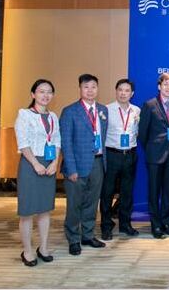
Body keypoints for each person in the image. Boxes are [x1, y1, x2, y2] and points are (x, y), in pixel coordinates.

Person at [14, 79, 61, 266]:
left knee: (45, 210)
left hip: (49, 164)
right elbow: (23, 142)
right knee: (27, 211)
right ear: (33, 94)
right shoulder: (24, 114)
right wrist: (35, 163)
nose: (45, 95)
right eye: (41, 91)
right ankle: (27, 251)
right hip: (30, 164)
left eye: (49, 92)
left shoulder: (53, 116)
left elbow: (57, 141)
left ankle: (43, 247)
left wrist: (55, 162)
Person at [60, 73, 108, 255]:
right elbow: (66, 143)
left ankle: (88, 235)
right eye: (86, 87)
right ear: (79, 89)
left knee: (92, 202)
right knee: (74, 204)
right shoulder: (69, 111)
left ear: (97, 89)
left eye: (93, 87)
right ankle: (73, 239)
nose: (90, 90)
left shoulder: (103, 110)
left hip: (98, 163)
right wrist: (71, 168)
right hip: (77, 165)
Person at [138, 73, 169, 239]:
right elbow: (143, 133)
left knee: (168, 191)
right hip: (155, 156)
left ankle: (166, 223)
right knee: (154, 192)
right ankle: (155, 225)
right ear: (159, 86)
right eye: (166, 84)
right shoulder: (149, 105)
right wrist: (152, 148)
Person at [100, 79, 141, 240]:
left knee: (127, 192)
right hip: (112, 154)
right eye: (120, 90)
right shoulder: (106, 110)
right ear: (116, 91)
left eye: (127, 90)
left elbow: (137, 132)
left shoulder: (136, 110)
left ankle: (125, 224)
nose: (123, 93)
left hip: (130, 154)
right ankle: (106, 226)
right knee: (107, 192)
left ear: (132, 93)